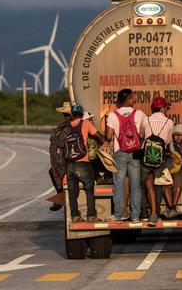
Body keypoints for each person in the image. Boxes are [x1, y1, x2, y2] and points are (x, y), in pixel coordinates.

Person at [106, 88, 147, 223]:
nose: (135, 99)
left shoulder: (112, 115)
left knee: (118, 184)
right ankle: (135, 216)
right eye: (133, 97)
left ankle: (118, 215)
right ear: (129, 99)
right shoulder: (139, 114)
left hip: (120, 152)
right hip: (135, 152)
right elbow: (143, 133)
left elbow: (109, 136)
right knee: (135, 184)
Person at [65, 104, 107, 223]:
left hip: (69, 163)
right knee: (89, 187)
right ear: (82, 114)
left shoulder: (66, 127)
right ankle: (91, 215)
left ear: (72, 114)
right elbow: (97, 135)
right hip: (82, 161)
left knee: (72, 190)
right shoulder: (86, 123)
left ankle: (75, 216)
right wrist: (106, 142)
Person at [140, 96, 175, 226]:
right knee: (158, 183)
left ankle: (148, 212)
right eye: (166, 107)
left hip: (146, 156)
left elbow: (142, 135)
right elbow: (168, 141)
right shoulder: (169, 122)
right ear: (161, 108)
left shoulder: (145, 120)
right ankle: (156, 212)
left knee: (145, 183)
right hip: (160, 158)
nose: (166, 110)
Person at [48, 101, 72, 211]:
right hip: (64, 159)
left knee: (55, 172)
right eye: (65, 114)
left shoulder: (71, 126)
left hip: (71, 160)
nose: (66, 116)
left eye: (68, 114)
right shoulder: (62, 126)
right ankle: (61, 195)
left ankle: (61, 196)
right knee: (52, 171)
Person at [164, 123, 182, 219]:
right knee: (165, 183)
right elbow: (164, 152)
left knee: (179, 180)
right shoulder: (169, 145)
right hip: (167, 169)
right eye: (176, 135)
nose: (178, 137)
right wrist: (172, 155)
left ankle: (173, 207)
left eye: (180, 135)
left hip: (179, 170)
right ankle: (171, 207)